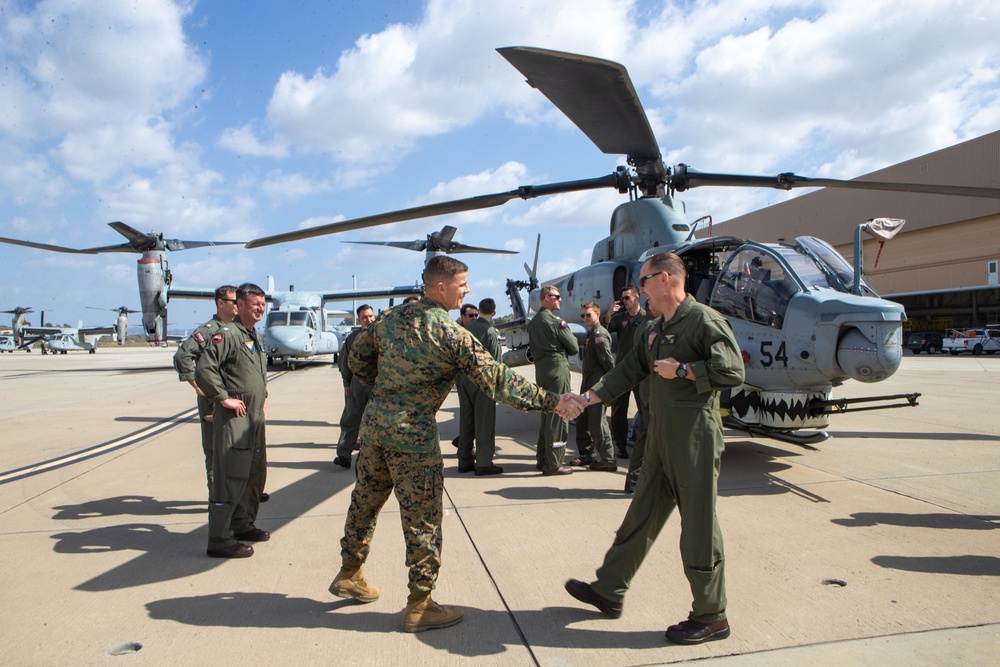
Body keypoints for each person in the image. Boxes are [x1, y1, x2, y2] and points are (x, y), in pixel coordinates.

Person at [329, 255, 582, 633]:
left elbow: (357, 357)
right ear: (441, 287)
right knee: (423, 520)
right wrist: (552, 401)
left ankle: (349, 571)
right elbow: (498, 381)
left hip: (376, 428)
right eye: (463, 284)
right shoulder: (450, 334)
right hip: (413, 437)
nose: (468, 290)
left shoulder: (391, 319)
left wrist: (385, 387)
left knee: (364, 502)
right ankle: (420, 605)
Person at [565, 252, 744, 645]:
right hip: (661, 439)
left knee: (698, 526)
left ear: (664, 279)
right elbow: (629, 369)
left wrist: (684, 370)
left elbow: (732, 370)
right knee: (641, 513)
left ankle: (712, 614)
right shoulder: (654, 328)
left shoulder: (703, 321)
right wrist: (588, 398)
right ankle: (609, 589)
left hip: (694, 438)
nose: (638, 289)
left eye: (643, 281)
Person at [195, 283, 270, 559]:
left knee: (253, 473)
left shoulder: (251, 335)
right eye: (255, 304)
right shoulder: (227, 334)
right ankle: (219, 538)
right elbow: (204, 368)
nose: (260, 308)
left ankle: (241, 524)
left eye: (263, 304)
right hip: (235, 419)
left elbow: (253, 371)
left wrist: (262, 393)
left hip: (253, 418)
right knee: (230, 476)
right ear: (239, 306)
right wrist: (223, 397)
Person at [172, 285, 238, 494]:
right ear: (220, 303)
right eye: (233, 302)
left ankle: (241, 491)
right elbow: (182, 356)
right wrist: (198, 386)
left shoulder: (238, 329)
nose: (238, 306)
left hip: (235, 398)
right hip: (214, 401)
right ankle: (217, 494)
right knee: (215, 449)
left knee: (239, 446)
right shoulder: (209, 331)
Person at [528, 285, 579, 475]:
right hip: (557, 369)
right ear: (546, 298)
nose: (560, 299)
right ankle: (554, 463)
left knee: (546, 412)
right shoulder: (556, 322)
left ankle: (543, 458)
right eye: (557, 296)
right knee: (560, 414)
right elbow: (573, 346)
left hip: (541, 370)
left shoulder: (533, 323)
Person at [456, 298, 502, 475]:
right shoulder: (491, 331)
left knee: (466, 421)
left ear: (480, 310)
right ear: (494, 312)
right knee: (484, 422)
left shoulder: (466, 330)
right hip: (483, 380)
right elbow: (497, 361)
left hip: (465, 379)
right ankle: (483, 462)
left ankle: (464, 460)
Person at [601, 285, 648, 459]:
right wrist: (609, 313)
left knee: (645, 408)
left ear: (637, 297)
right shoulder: (620, 318)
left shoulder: (646, 318)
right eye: (622, 298)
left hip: (641, 370)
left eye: (627, 298)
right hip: (623, 369)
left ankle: (645, 445)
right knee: (619, 409)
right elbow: (604, 327)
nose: (624, 302)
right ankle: (620, 445)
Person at [570, 302, 616, 471]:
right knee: (583, 420)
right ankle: (587, 455)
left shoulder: (599, 334)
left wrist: (609, 386)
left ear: (597, 314)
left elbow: (608, 362)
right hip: (588, 382)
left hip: (597, 384)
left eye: (588, 315)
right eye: (583, 315)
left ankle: (608, 458)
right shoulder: (591, 333)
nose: (585, 318)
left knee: (597, 422)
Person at [334, 304, 376, 469]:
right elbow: (344, 362)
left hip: (376, 385)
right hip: (357, 385)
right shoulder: (352, 338)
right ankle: (344, 454)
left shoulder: (382, 335)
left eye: (371, 316)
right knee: (350, 419)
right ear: (359, 320)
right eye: (365, 317)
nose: (369, 319)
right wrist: (346, 382)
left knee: (377, 422)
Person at [623, 300, 658, 492]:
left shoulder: (642, 326)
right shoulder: (653, 328)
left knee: (644, 435)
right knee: (649, 436)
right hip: (653, 389)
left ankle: (635, 480)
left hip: (645, 387)